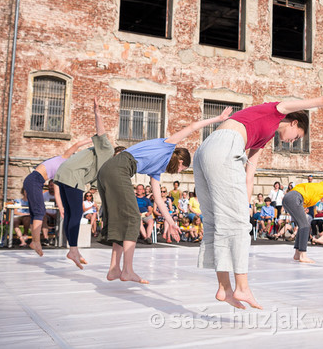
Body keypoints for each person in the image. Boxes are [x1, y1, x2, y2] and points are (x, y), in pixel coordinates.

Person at [193, 83, 323, 310]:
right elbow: (322, 101)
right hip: (225, 147)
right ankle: (242, 287)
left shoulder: (261, 138)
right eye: (297, 136)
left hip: (206, 150)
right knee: (239, 225)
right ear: (295, 123)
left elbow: (249, 176)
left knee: (217, 222)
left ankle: (224, 287)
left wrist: (245, 204)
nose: (293, 141)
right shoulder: (276, 109)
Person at [97, 109, 231, 284]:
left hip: (107, 170)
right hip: (119, 168)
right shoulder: (167, 146)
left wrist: (171, 223)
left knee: (120, 220)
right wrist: (218, 119)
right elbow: (192, 127)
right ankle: (127, 270)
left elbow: (159, 200)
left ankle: (114, 268)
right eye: (182, 169)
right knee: (132, 219)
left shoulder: (157, 169)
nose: (178, 172)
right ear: (181, 162)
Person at [52, 98, 116, 267]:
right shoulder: (108, 151)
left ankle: (72, 249)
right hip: (73, 175)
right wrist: (97, 113)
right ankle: (73, 250)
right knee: (76, 214)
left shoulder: (104, 166)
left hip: (63, 173)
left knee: (70, 214)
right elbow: (101, 133)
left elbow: (99, 188)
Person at [23, 139, 92, 257]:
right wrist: (92, 139)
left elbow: (57, 192)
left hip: (34, 181)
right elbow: (76, 144)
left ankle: (35, 241)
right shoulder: (64, 158)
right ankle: (35, 242)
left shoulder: (62, 172)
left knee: (36, 213)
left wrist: (61, 208)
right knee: (39, 212)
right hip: (34, 179)